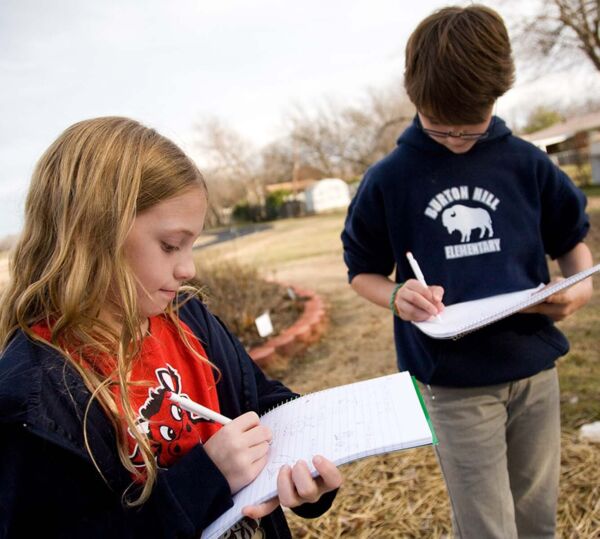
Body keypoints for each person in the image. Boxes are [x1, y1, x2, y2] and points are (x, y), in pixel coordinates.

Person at [0, 116, 342, 538]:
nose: (188, 268)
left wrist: (304, 461)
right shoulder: (34, 397)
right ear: (92, 235)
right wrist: (206, 479)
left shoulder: (188, 318)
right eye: (169, 245)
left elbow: (257, 397)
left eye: (192, 244)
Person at [341, 5, 593, 539]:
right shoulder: (390, 179)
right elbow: (361, 270)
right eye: (441, 126)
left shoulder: (525, 164)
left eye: (470, 128)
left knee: (535, 516)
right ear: (414, 94)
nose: (456, 138)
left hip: (533, 372)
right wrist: (394, 296)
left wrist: (581, 285)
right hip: (452, 383)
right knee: (487, 525)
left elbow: (573, 240)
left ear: (499, 94)